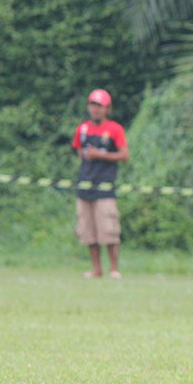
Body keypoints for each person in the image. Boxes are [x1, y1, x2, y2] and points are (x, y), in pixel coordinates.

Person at [72, 89, 129, 278]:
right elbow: (79, 153)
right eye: (93, 105)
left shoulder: (114, 129)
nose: (95, 110)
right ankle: (96, 269)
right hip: (85, 185)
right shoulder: (82, 129)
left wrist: (100, 155)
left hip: (105, 186)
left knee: (109, 230)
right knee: (88, 231)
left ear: (107, 109)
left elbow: (124, 155)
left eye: (100, 106)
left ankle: (114, 269)